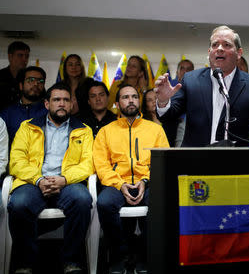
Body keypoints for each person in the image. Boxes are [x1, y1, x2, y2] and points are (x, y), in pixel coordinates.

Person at [155, 25, 249, 148]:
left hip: (235, 163)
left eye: (227, 45)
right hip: (195, 161)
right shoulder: (191, 79)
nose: (219, 48)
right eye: (215, 45)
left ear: (239, 53)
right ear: (209, 52)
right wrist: (163, 101)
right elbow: (169, 117)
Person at [7, 82, 93, 274]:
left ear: (71, 104)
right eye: (56, 100)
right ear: (47, 104)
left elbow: (87, 164)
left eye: (65, 100)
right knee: (19, 203)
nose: (61, 104)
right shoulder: (27, 127)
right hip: (34, 182)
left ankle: (72, 262)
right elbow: (16, 160)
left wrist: (64, 179)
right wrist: (39, 180)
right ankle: (24, 264)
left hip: (67, 183)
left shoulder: (84, 130)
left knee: (82, 200)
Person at [94, 84, 169, 274]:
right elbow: (101, 165)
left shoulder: (155, 130)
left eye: (134, 96)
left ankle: (145, 255)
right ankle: (120, 255)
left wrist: (145, 181)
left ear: (139, 101)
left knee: (160, 202)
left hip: (148, 181)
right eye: (125, 97)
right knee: (104, 203)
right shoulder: (106, 131)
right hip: (117, 182)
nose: (131, 100)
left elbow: (163, 161)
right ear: (117, 104)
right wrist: (121, 184)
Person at [0, 66, 48, 146]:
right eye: (31, 80)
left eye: (41, 81)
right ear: (21, 85)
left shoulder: (49, 111)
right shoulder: (7, 113)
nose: (36, 84)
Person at [166, 59, 194, 146]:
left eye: (188, 69)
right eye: (182, 68)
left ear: (194, 71)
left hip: (191, 125)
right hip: (171, 124)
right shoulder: (169, 86)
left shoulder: (198, 87)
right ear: (177, 72)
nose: (185, 71)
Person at [0, 41, 30, 111]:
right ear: (10, 56)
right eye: (20, 55)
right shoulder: (1, 76)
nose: (24, 59)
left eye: (27, 56)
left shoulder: (30, 78)